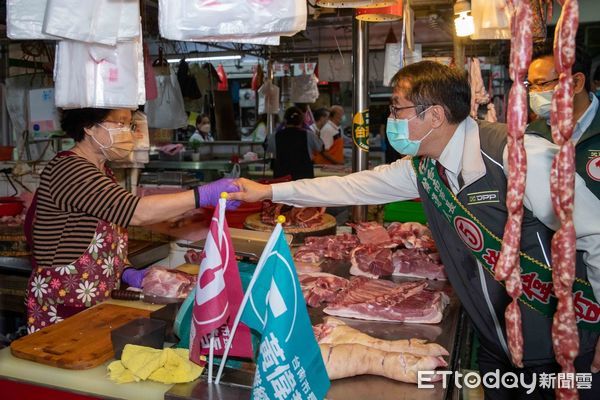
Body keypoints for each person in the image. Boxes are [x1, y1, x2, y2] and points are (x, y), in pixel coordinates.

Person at [231, 61, 600, 399]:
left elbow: (596, 234)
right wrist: (269, 191)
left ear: (435, 115)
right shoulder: (425, 167)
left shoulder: (518, 156)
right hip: (496, 345)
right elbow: (353, 185)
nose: (391, 119)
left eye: (397, 109)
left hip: (564, 350)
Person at [24, 108, 239, 333]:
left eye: (129, 125)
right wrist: (203, 195)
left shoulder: (101, 170)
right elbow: (136, 212)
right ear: (88, 126)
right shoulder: (70, 169)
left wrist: (125, 271)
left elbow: (91, 235)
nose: (127, 132)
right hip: (64, 302)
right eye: (119, 123)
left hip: (92, 300)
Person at [526, 41, 599, 198]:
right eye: (531, 86)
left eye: (541, 84)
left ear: (577, 83)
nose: (534, 94)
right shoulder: (532, 135)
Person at [266, 106, 323, 180]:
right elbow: (320, 148)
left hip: (282, 178)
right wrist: (318, 136)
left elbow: (268, 149)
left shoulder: (275, 136)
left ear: (285, 120)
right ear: (301, 121)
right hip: (303, 178)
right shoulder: (309, 135)